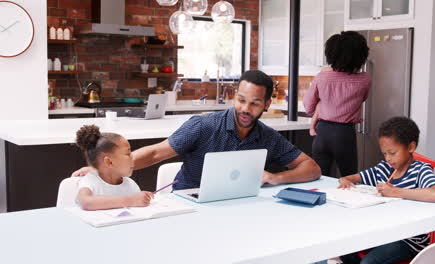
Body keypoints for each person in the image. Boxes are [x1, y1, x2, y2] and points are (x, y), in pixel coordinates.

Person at [73, 70, 322, 190]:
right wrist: (106, 166)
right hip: (189, 201)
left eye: (255, 103)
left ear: (267, 104)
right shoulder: (204, 126)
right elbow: (156, 154)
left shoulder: (266, 136)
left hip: (238, 207)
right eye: (242, 100)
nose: (246, 108)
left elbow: (312, 168)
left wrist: (275, 178)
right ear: (236, 96)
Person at [338, 117, 435, 264]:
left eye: (392, 153)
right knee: (342, 247)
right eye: (385, 153)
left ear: (411, 147)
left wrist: (396, 191)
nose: (388, 158)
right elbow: (356, 177)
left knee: (369, 262)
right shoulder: (385, 168)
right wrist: (345, 180)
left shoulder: (420, 170)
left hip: (409, 240)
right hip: (385, 232)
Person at [303, 31, 371, 177]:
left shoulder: (322, 77)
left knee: (319, 178)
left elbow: (308, 107)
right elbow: (363, 98)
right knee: (349, 179)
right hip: (345, 134)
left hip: (322, 133)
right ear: (361, 56)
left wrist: (322, 104)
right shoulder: (365, 79)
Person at [75, 125, 153, 210]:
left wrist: (142, 200)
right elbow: (86, 202)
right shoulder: (90, 181)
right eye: (128, 154)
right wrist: (130, 200)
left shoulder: (131, 184)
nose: (133, 157)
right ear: (109, 162)